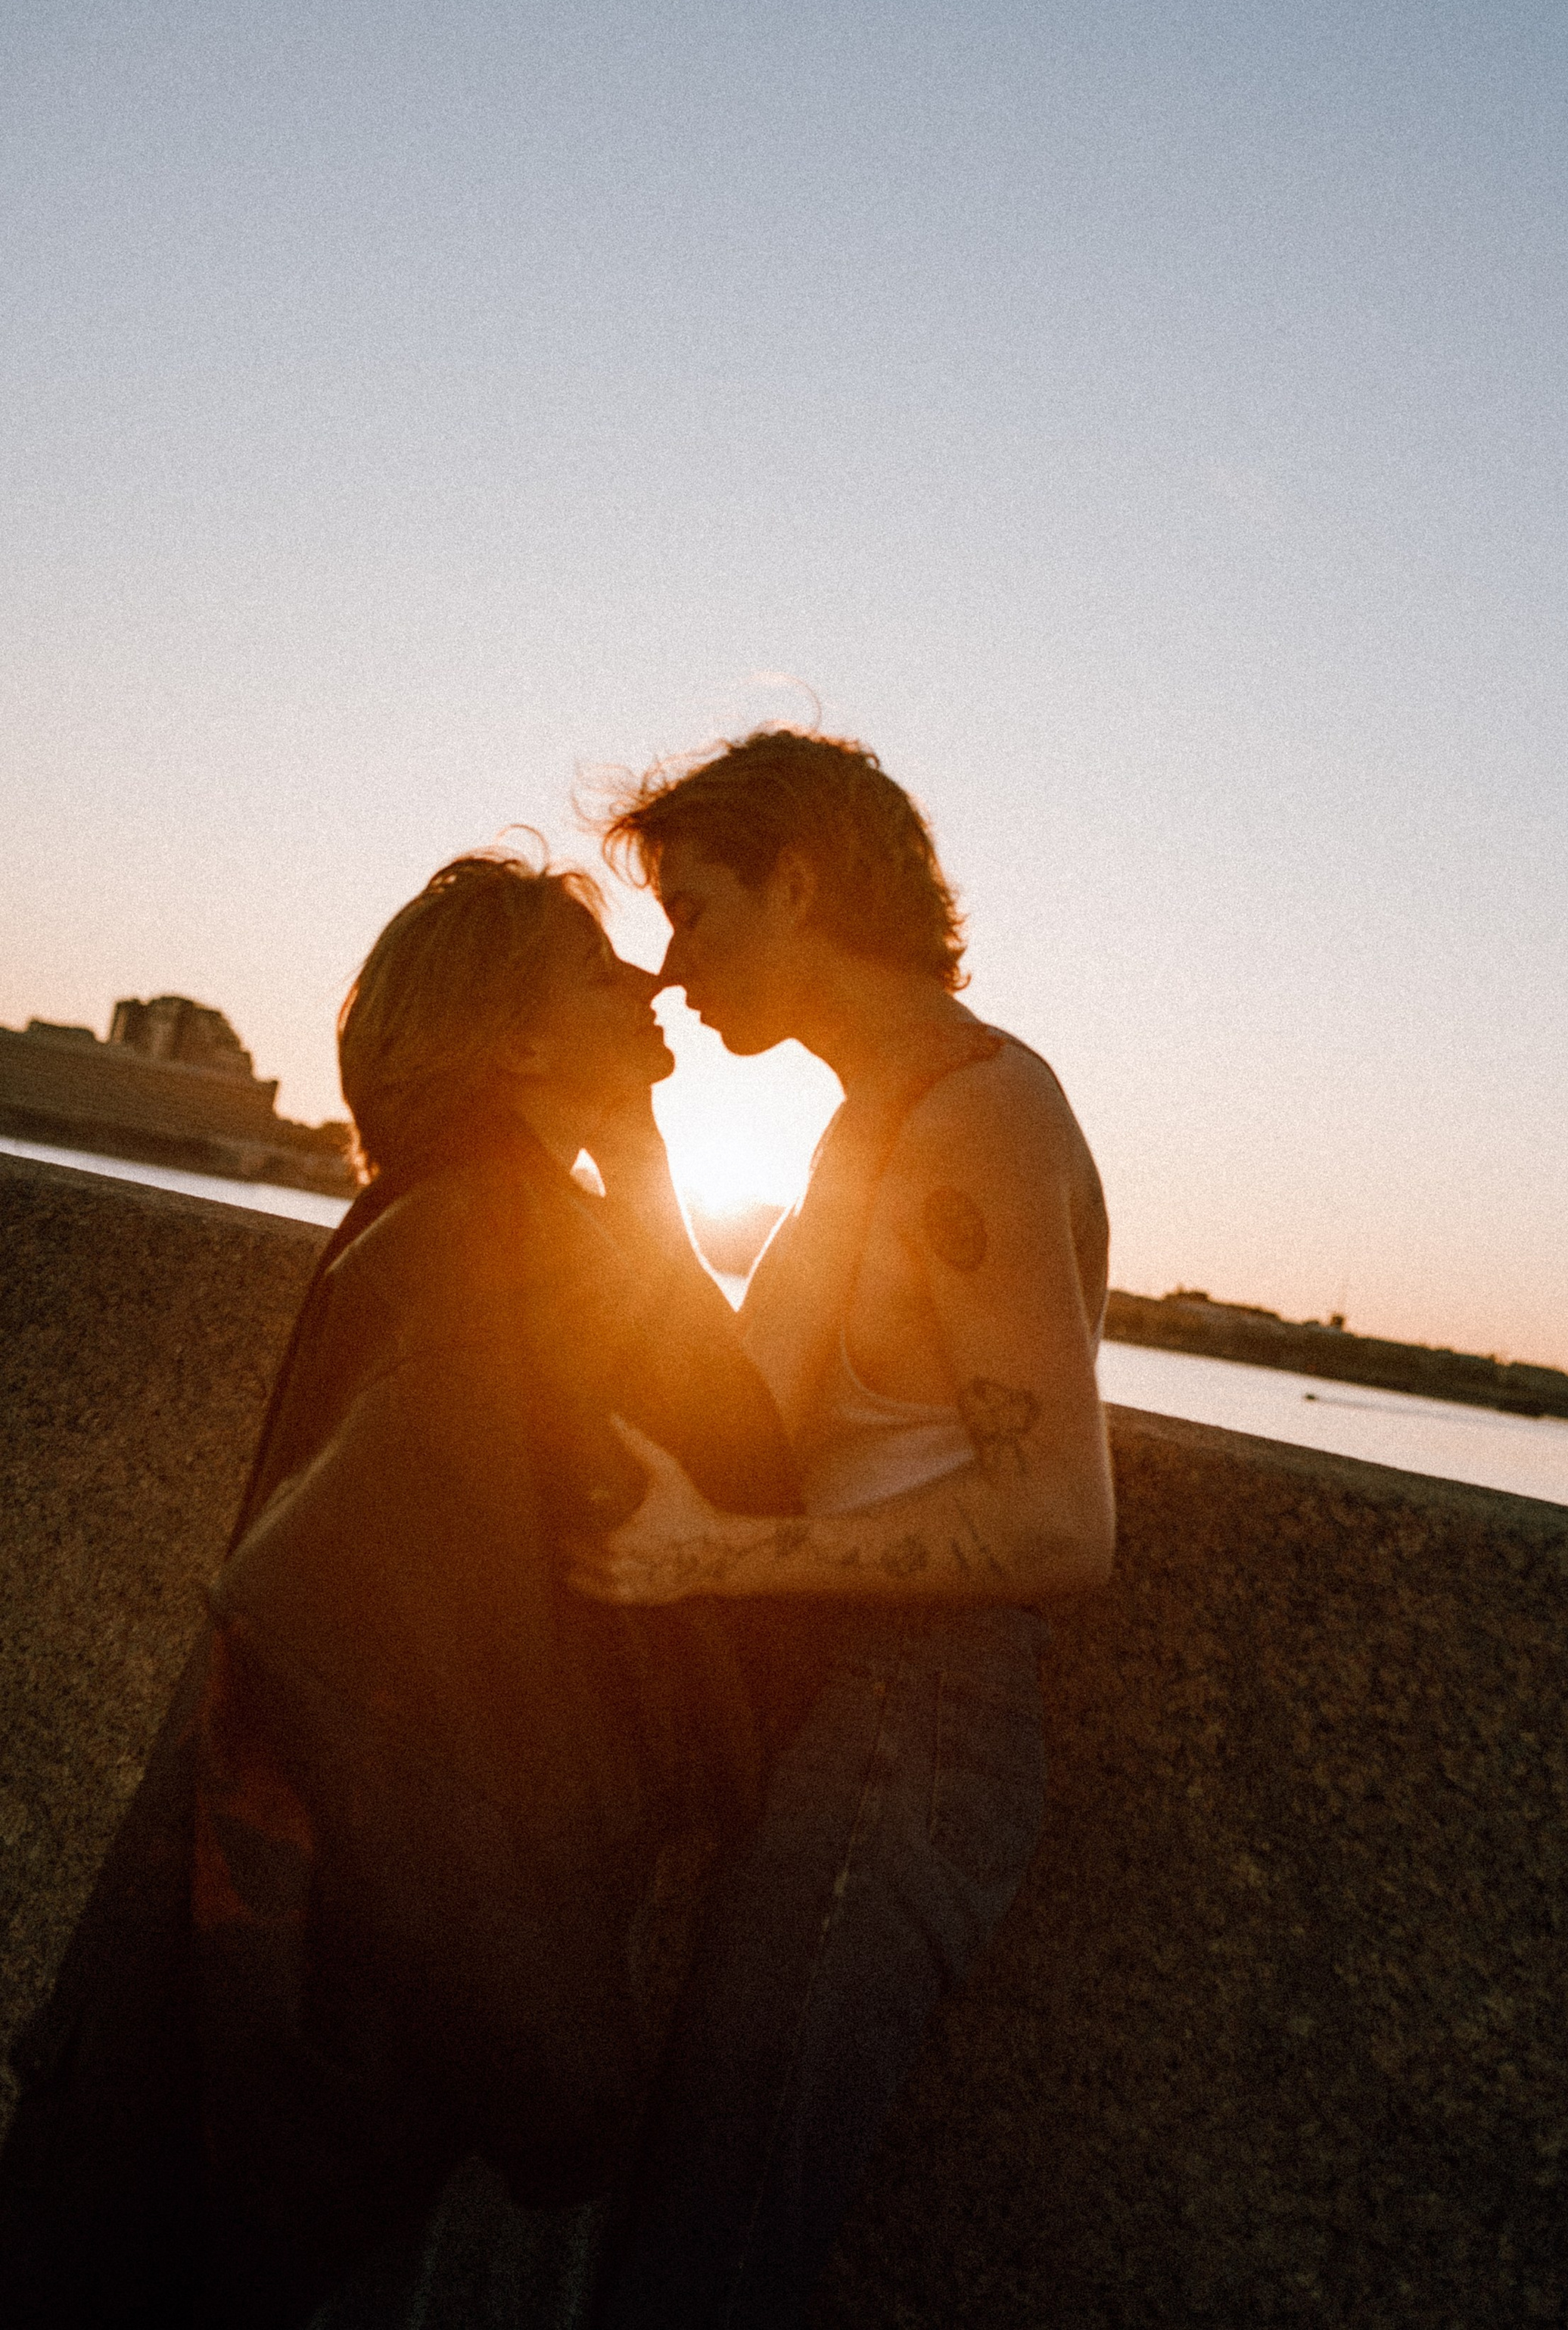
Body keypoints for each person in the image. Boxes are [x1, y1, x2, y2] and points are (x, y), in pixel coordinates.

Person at [0, 851, 795, 2330]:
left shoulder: (471, 1221)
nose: (650, 982)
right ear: (515, 1042)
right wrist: (559, 2061)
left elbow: (722, 1443)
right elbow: (381, 1680)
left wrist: (633, 1156)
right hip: (324, 2044)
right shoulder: (489, 1248)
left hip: (257, 2021)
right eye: (595, 968)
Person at [574, 728, 1115, 2330]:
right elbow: (737, 1408)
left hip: (913, 1723)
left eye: (696, 910)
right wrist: (636, 1152)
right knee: (699, 2207)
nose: (668, 972)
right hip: (851, 1719)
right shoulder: (878, 1117)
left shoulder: (975, 1121)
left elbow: (1055, 1521)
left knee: (716, 2245)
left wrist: (707, 1562)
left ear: (801, 885)